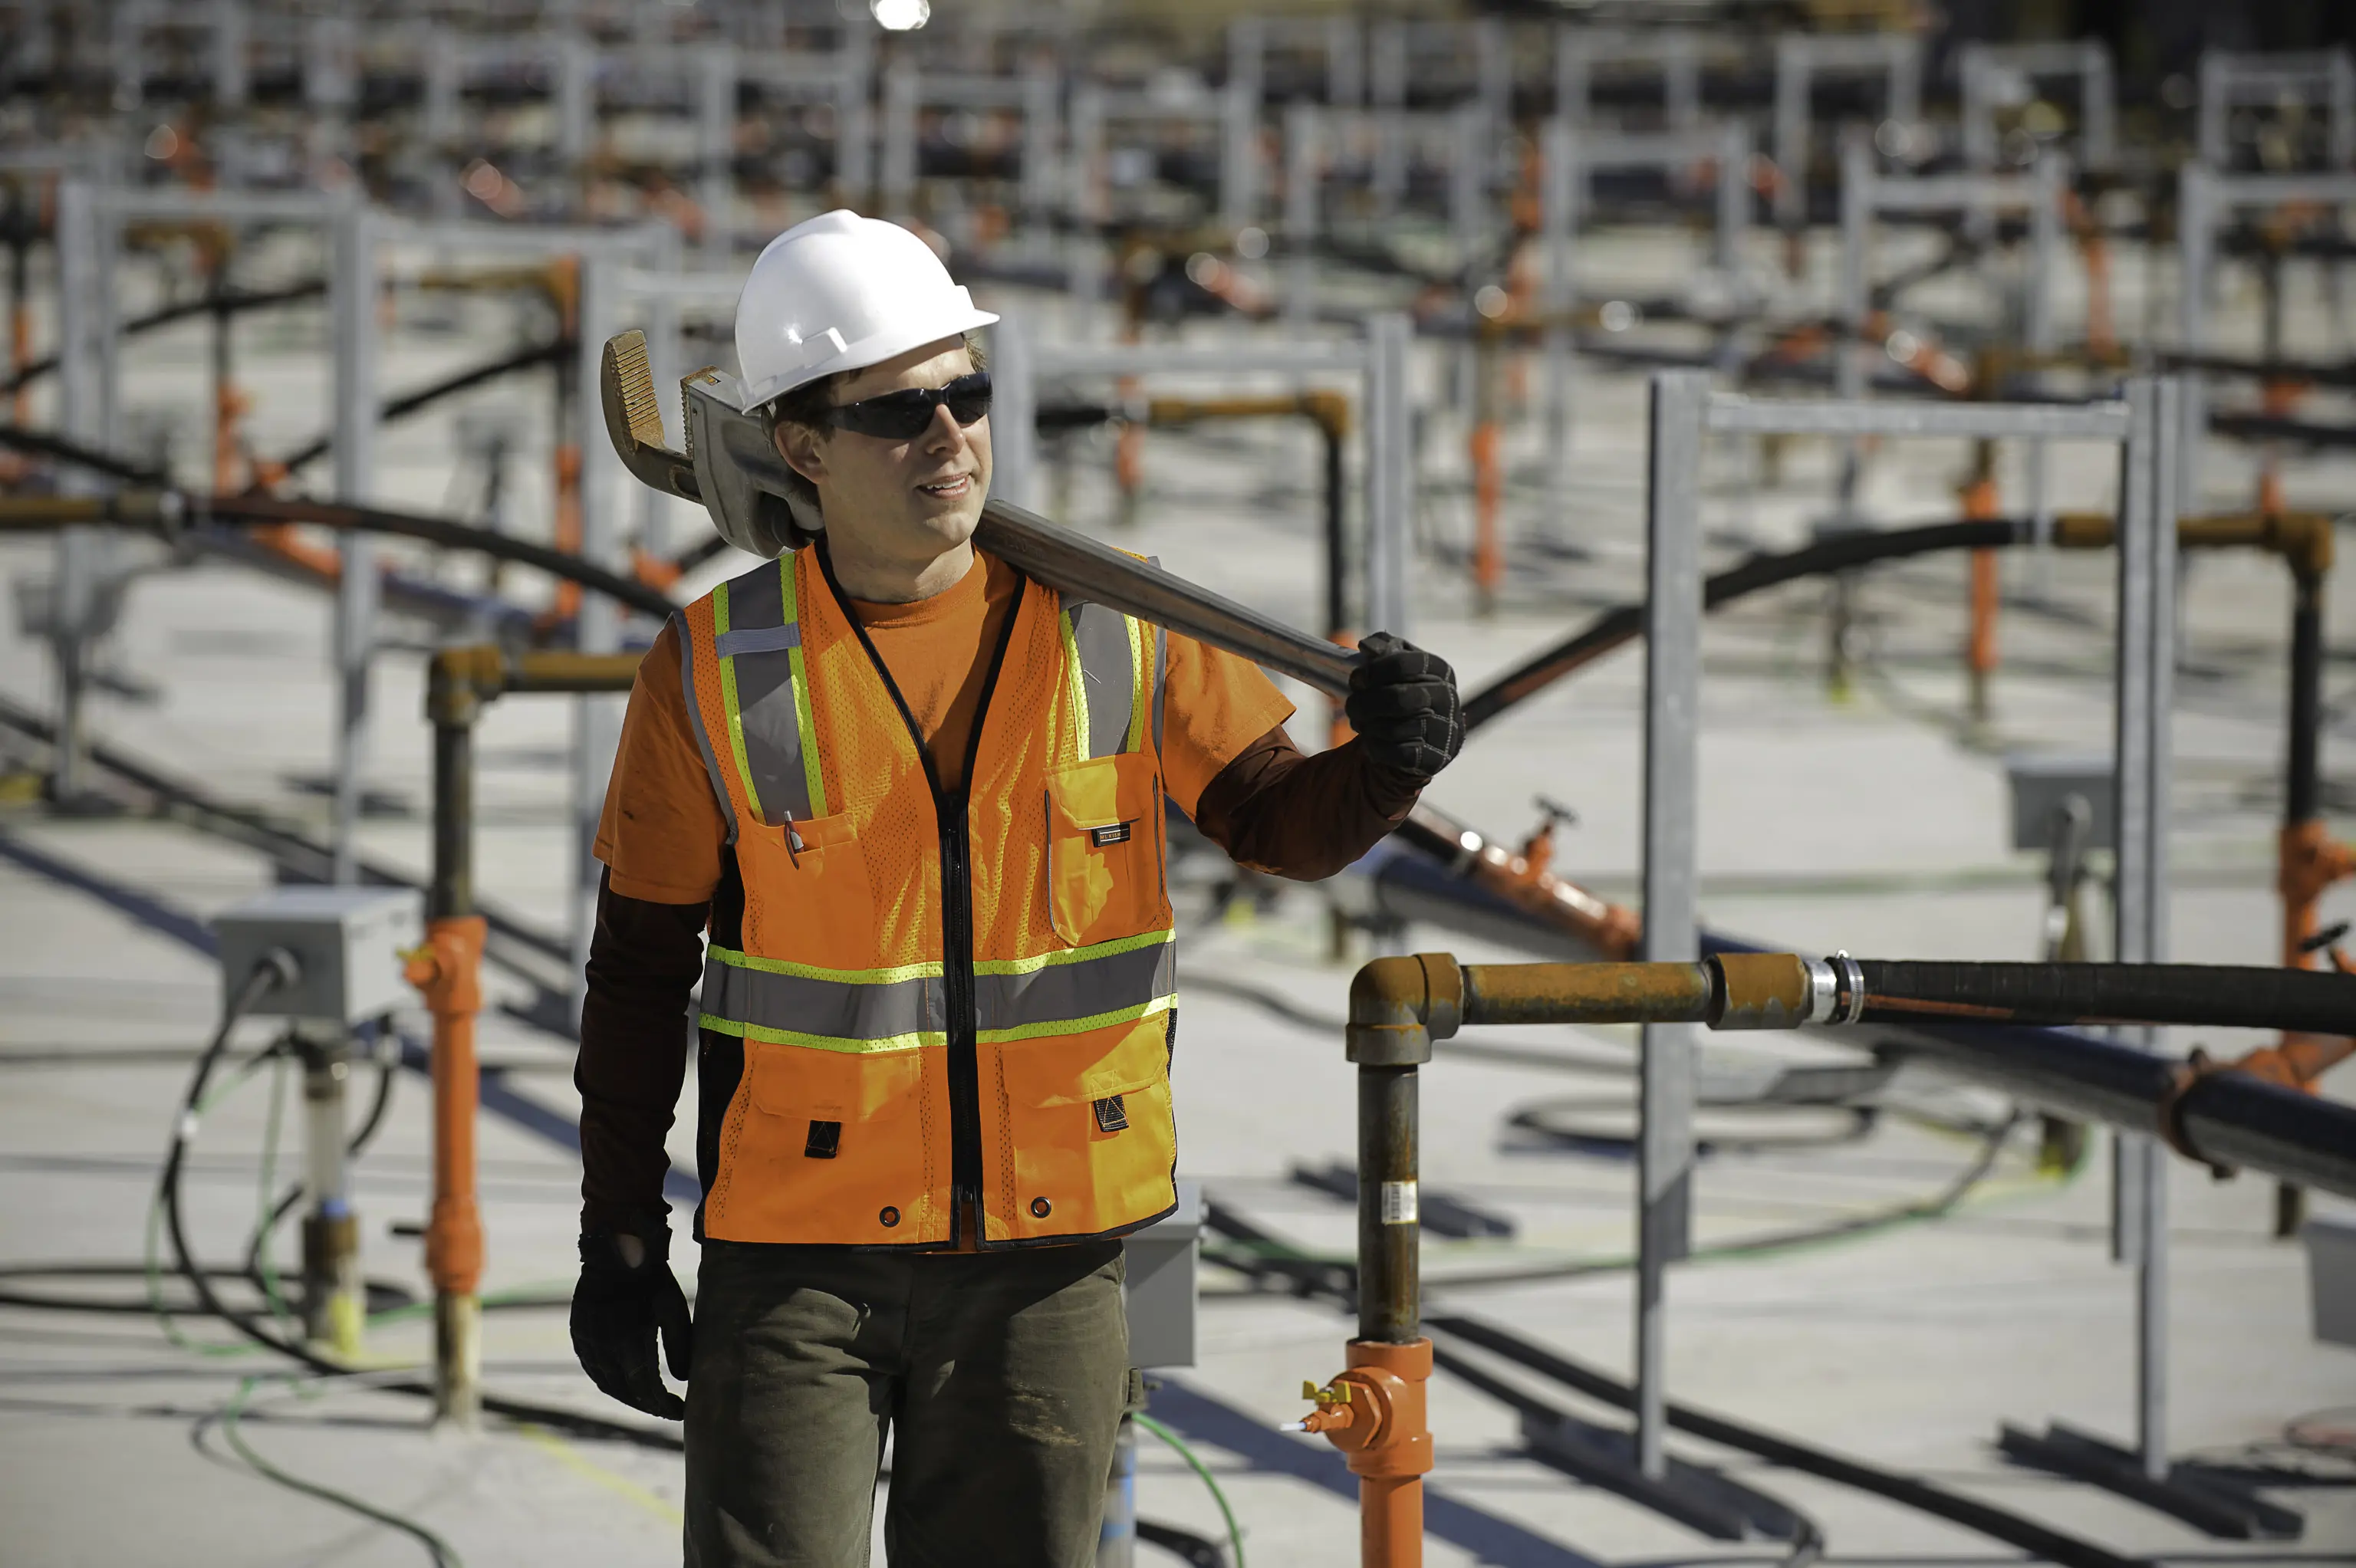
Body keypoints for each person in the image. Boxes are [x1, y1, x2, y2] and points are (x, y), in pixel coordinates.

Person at [568, 210, 1462, 1568]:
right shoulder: (712, 666)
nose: (949, 437)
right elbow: (637, 976)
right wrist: (621, 1233)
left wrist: (1385, 766)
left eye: (966, 393)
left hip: (1054, 1264)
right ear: (799, 449)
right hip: (796, 1265)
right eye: (897, 411)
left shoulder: (1118, 622)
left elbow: (1282, 824)